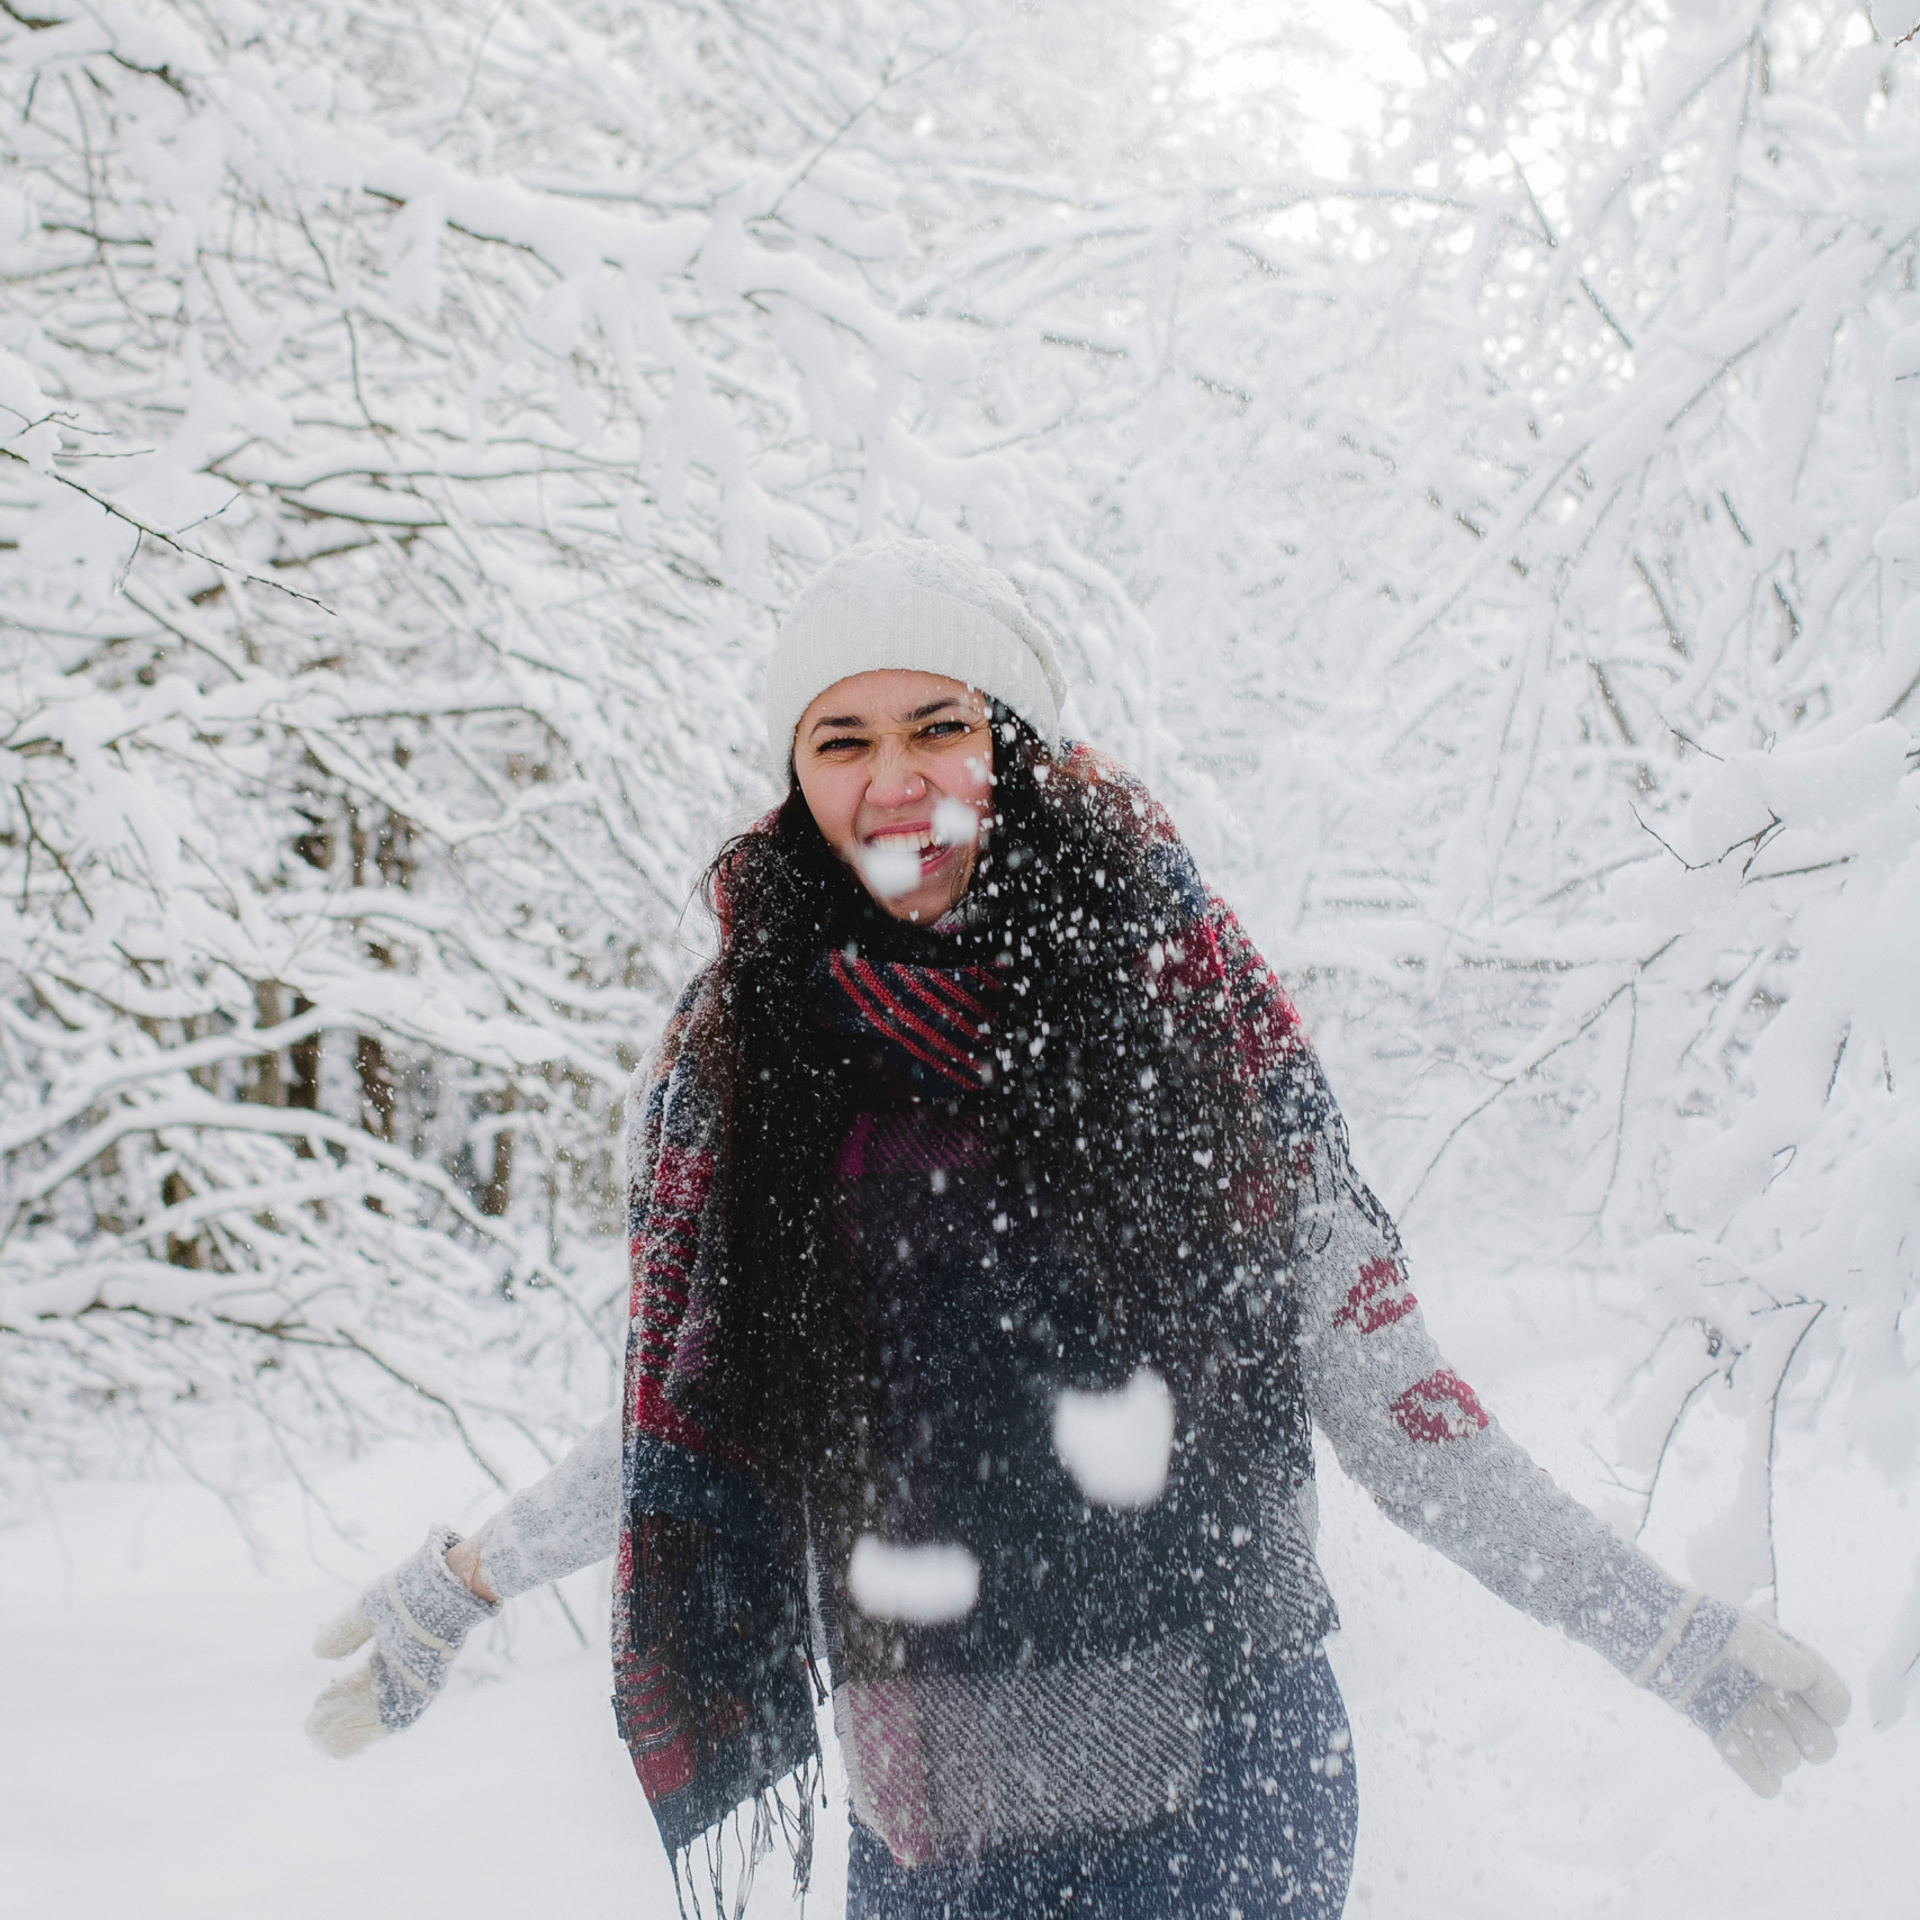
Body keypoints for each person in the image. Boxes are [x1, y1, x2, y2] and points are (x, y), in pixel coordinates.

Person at [307, 540, 1850, 1919]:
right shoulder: (753, 1061)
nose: (893, 776)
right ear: (799, 783)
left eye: (940, 726)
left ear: (1020, 751)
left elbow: (1393, 1403)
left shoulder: (1190, 1020)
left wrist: (1673, 1642)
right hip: (927, 1822)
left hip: (1225, 1797)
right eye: (842, 739)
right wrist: (464, 1580)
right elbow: (702, 1428)